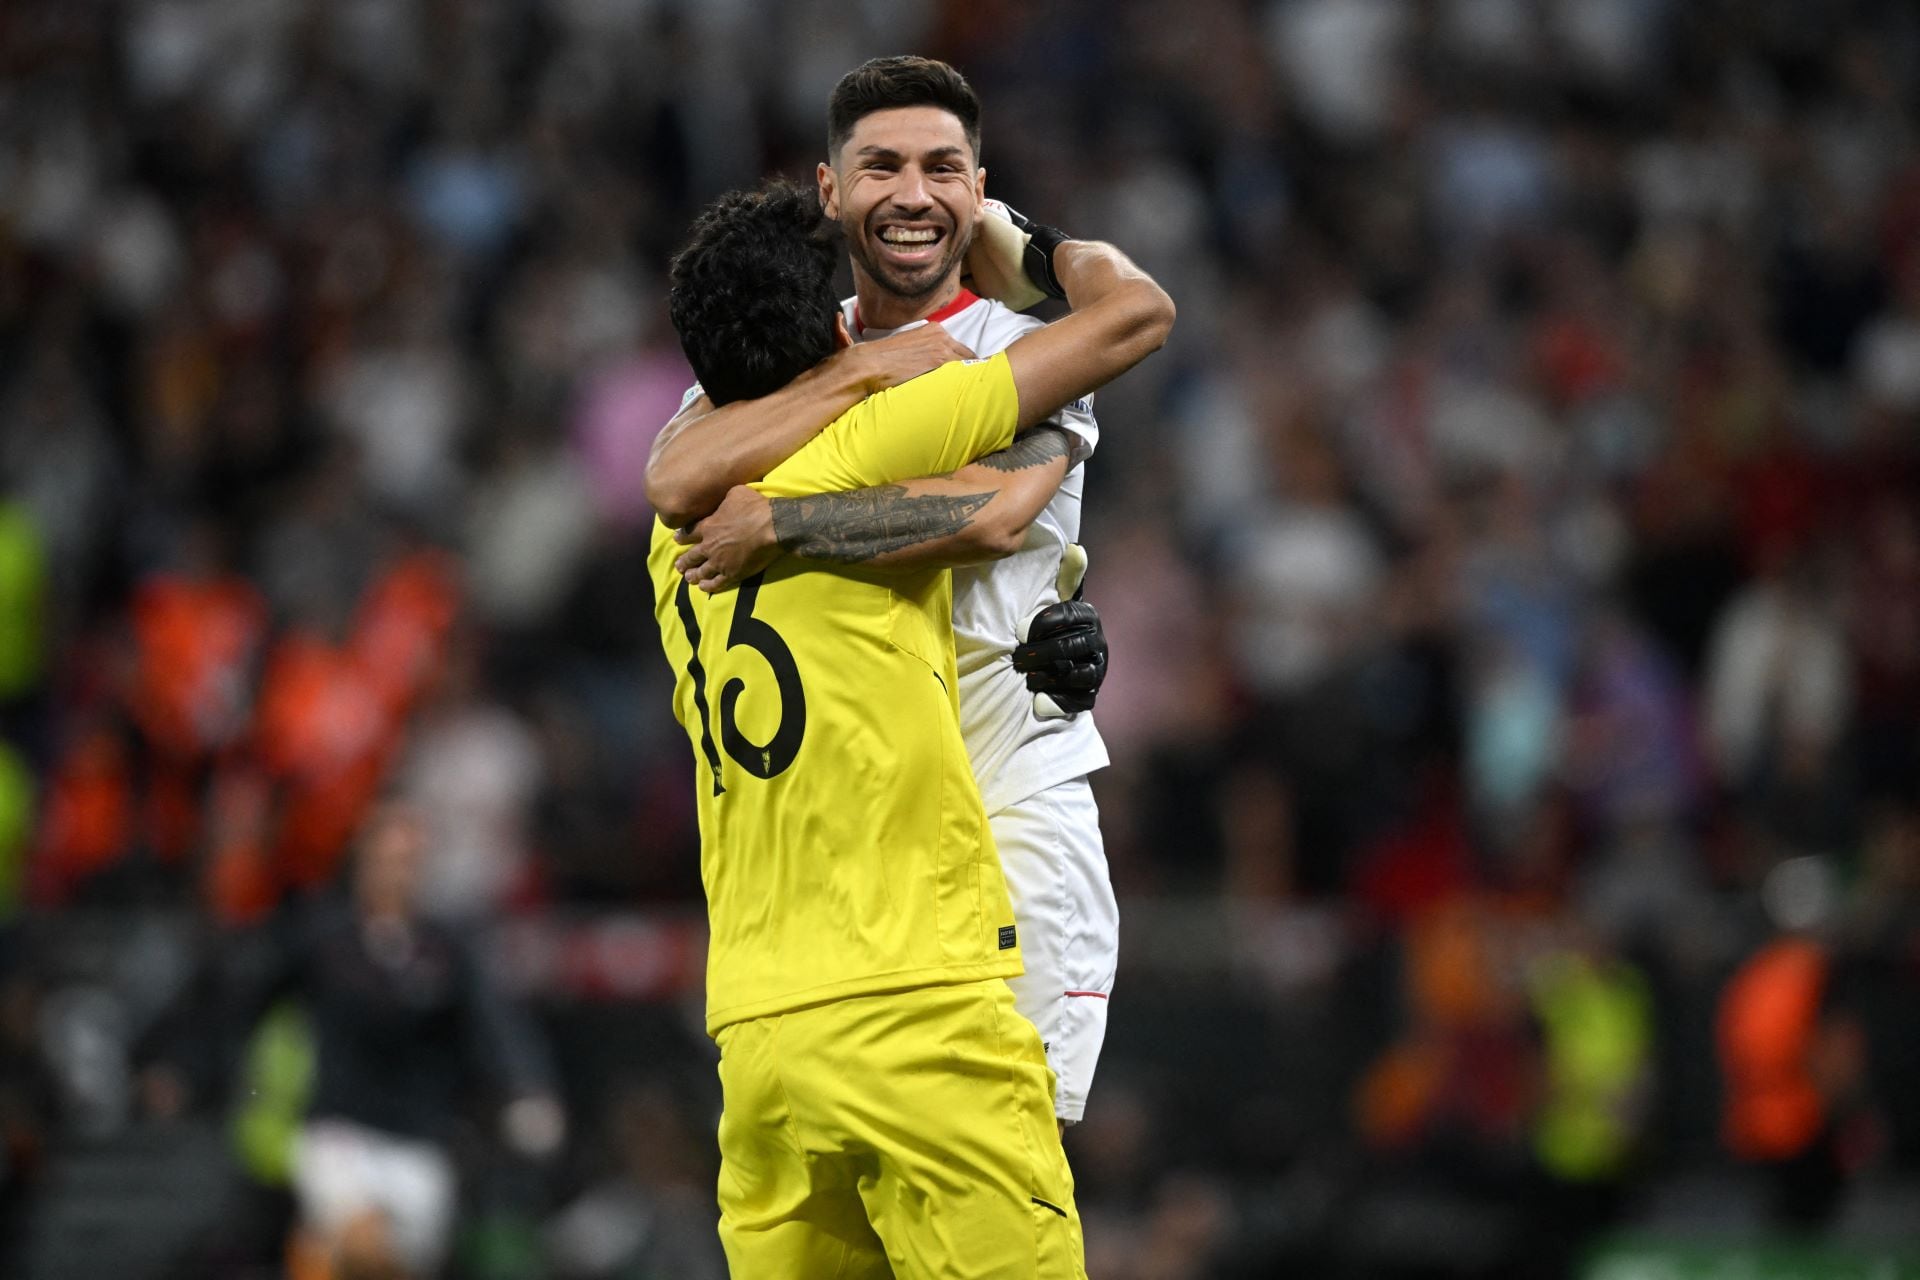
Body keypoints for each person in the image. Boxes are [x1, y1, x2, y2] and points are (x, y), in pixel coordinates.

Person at [650, 174, 1171, 1275]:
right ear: (829, 323)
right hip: (913, 996)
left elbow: (682, 457)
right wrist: (1012, 238)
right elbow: (1128, 318)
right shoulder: (875, 440)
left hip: (758, 1034)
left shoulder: (678, 526)